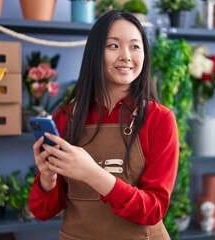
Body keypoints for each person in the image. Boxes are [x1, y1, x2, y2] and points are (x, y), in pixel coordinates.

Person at [28, 10, 179, 240]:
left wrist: (91, 173)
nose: (126, 56)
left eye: (135, 47)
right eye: (113, 46)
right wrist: (47, 178)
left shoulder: (159, 119)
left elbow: (154, 208)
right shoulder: (67, 116)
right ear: (95, 52)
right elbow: (42, 211)